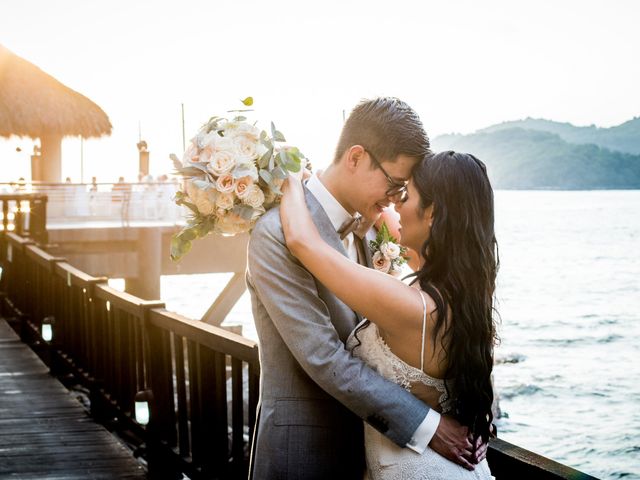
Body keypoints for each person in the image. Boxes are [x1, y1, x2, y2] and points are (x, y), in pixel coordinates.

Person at [246, 98, 486, 479]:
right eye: (395, 184)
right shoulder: (277, 234)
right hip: (307, 454)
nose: (396, 200)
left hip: (378, 456)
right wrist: (427, 425)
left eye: (405, 192)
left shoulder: (376, 228)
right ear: (356, 157)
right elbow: (323, 356)